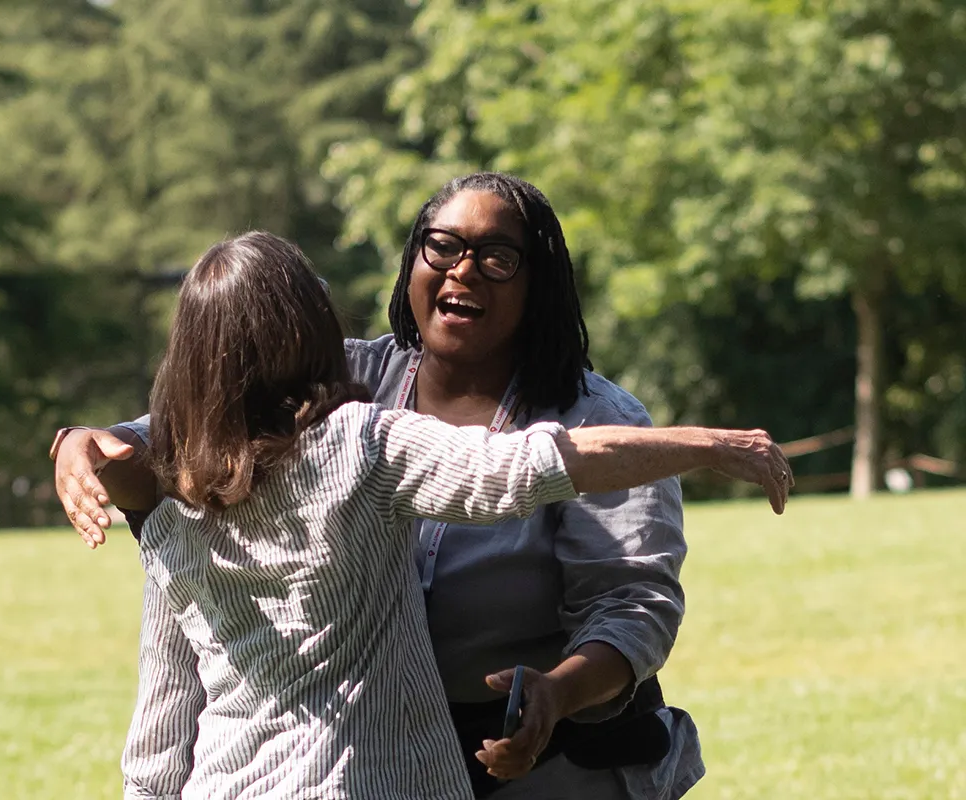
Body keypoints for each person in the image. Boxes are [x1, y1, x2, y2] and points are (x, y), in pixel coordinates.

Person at [54, 174, 795, 799]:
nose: (463, 270)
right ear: (410, 263)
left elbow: (633, 604)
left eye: (498, 257)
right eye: (442, 246)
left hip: (544, 758)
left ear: (539, 286)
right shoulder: (348, 391)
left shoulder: (599, 416)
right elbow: (186, 424)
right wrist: (76, 443)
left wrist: (558, 692)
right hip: (375, 759)